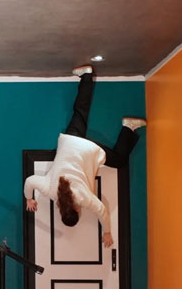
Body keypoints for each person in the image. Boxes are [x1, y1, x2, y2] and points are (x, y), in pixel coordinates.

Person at [23, 65, 146, 248]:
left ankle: (129, 127)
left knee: (120, 160)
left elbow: (102, 211)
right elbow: (30, 181)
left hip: (87, 150)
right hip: (70, 142)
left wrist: (107, 233)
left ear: (77, 210)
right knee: (80, 112)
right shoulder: (50, 191)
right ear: (61, 210)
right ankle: (86, 75)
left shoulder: (83, 199)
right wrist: (29, 198)